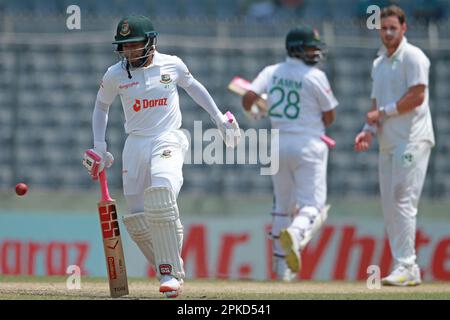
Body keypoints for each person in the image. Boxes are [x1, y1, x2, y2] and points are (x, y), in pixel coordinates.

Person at [82, 15, 240, 298]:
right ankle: (171, 266)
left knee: (162, 192)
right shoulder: (115, 74)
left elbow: (193, 87)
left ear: (150, 42)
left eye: (134, 44)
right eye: (124, 46)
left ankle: (168, 273)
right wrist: (100, 145)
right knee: (138, 217)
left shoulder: (172, 64)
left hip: (169, 137)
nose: (129, 51)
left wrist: (218, 118)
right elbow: (101, 106)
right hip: (135, 144)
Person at [242, 26, 337, 280]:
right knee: (313, 206)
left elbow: (249, 96)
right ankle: (295, 234)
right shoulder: (315, 76)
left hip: (277, 144)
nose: (315, 51)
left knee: (281, 206)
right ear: (296, 48)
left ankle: (282, 272)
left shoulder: (271, 71)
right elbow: (330, 116)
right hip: (308, 144)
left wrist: (255, 112)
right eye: (310, 47)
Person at [354, 5, 434, 286]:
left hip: (412, 140)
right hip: (388, 143)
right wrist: (367, 130)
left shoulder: (414, 57)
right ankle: (405, 265)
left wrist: (382, 114)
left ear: (404, 28)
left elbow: (417, 96)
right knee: (390, 205)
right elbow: (375, 106)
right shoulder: (379, 63)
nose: (388, 33)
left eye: (393, 28)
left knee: (402, 201)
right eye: (384, 28)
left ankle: (407, 265)